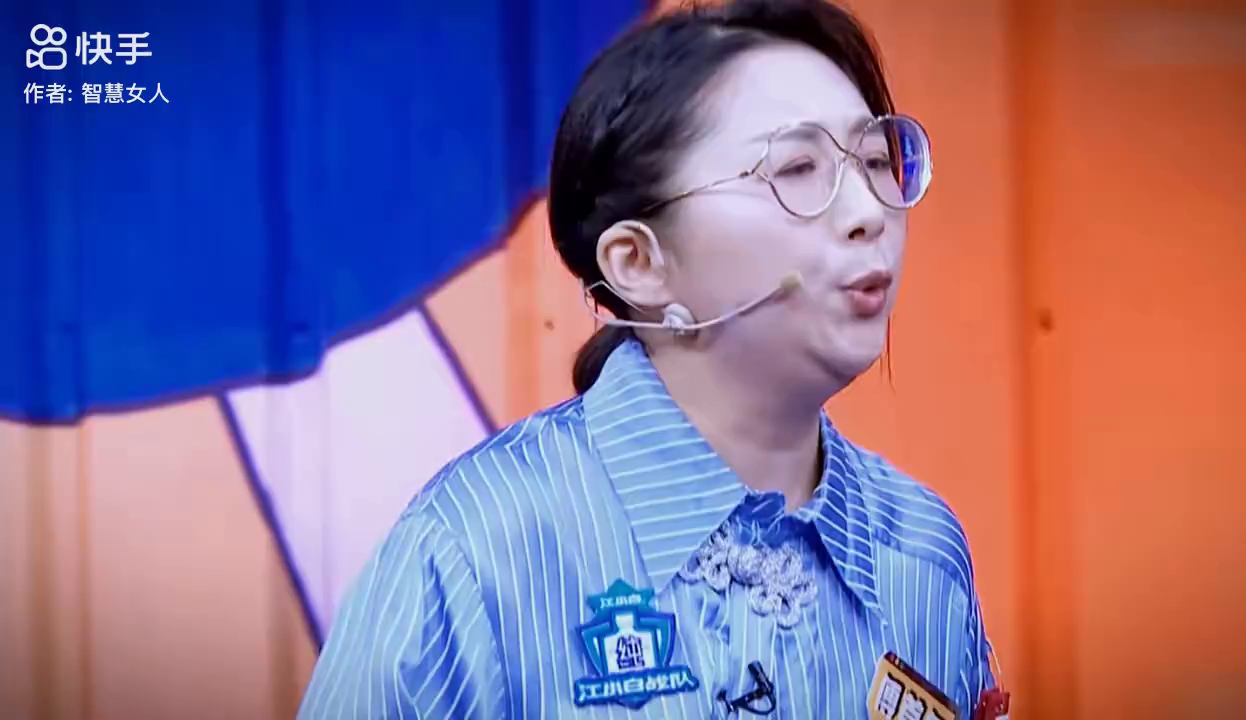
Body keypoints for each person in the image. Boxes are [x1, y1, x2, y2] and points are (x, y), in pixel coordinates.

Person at [298, 0, 1000, 717]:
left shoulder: (923, 549)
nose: (870, 213)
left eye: (877, 161)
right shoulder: (475, 550)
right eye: (797, 168)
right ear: (638, 262)